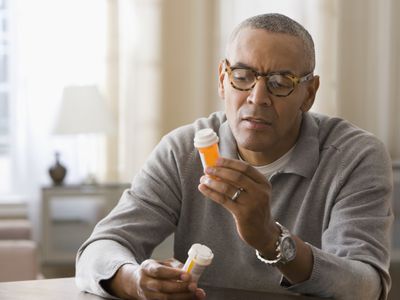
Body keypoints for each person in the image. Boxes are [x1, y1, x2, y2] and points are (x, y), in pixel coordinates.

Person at [75, 13, 393, 300]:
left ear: (308, 94)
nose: (257, 98)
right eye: (242, 76)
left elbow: (366, 287)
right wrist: (135, 282)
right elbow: (98, 250)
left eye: (281, 83)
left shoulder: (355, 156)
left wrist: (272, 240)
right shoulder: (183, 150)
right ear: (222, 79)